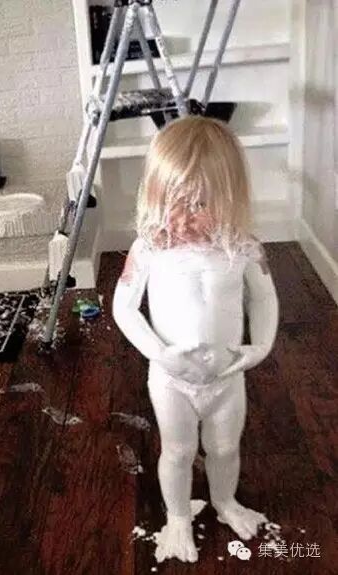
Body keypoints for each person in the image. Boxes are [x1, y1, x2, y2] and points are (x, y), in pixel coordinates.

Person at [112, 115, 279, 563]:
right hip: (172, 380)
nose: (183, 217)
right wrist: (160, 354)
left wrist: (260, 348)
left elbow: (264, 299)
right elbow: (124, 307)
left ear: (229, 198)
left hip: (227, 378)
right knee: (178, 450)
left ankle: (224, 501)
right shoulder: (150, 247)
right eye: (172, 202)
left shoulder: (243, 247)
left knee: (225, 448)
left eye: (200, 204)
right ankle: (178, 517)